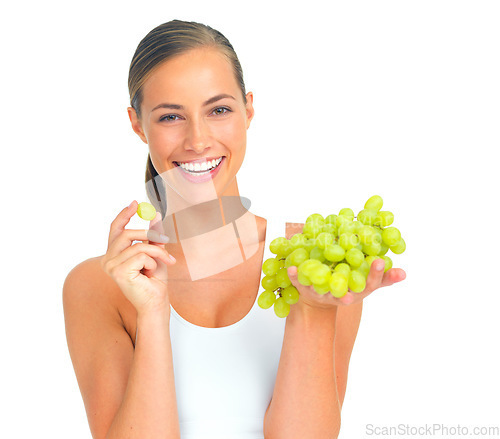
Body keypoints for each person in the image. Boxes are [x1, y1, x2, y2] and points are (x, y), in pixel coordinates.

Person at [63, 19, 406, 439]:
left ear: (249, 110)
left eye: (219, 110)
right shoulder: (98, 285)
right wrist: (154, 314)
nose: (198, 140)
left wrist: (314, 311)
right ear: (137, 124)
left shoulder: (317, 259)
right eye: (171, 116)